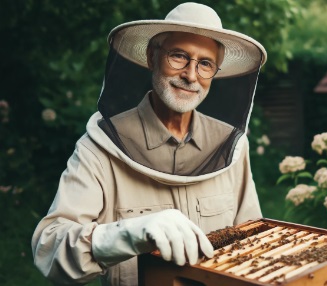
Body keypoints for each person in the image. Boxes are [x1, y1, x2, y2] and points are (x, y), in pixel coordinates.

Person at [31, 2, 267, 285]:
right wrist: (128, 233)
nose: (191, 76)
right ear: (151, 56)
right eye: (178, 56)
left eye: (205, 64)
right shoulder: (100, 147)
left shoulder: (232, 147)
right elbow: (49, 250)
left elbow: (254, 241)